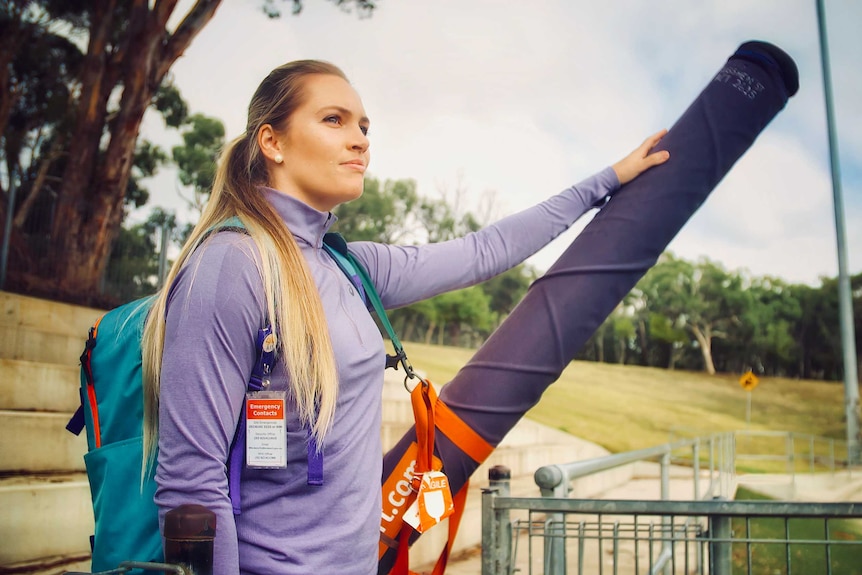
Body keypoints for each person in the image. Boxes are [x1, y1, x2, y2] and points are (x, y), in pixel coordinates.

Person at [140, 59, 669, 575]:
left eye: (364, 126)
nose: (361, 139)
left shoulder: (350, 267)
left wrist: (611, 178)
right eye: (334, 120)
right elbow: (190, 483)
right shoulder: (231, 263)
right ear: (271, 142)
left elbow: (486, 250)